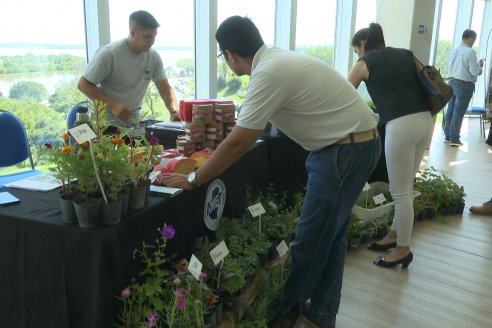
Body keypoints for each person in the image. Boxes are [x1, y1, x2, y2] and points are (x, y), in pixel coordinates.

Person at [160, 15, 381, 328]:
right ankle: (321, 314)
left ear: (231, 55)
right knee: (331, 236)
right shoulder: (276, 59)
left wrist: (195, 178)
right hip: (355, 145)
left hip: (343, 152)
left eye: (223, 57)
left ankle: (281, 316)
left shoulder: (268, 73)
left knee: (309, 240)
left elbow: (238, 143)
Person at [348, 23, 434, 269]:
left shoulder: (364, 64)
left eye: (356, 51)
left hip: (401, 125)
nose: (357, 56)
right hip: (425, 120)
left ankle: (403, 249)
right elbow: (426, 77)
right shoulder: (405, 54)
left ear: (363, 45)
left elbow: (344, 93)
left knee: (400, 191)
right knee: (406, 185)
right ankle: (394, 234)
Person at [78, 10, 179, 136]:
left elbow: (165, 89)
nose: (152, 41)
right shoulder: (109, 54)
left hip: (133, 124)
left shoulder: (153, 57)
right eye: (148, 36)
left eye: (154, 36)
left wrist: (174, 111)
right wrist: (113, 105)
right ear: (133, 32)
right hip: (103, 125)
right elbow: (83, 85)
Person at [445, 29, 484, 147]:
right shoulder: (470, 52)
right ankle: (455, 139)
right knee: (459, 112)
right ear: (470, 38)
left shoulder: (454, 50)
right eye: (474, 40)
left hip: (451, 82)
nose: (474, 42)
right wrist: (480, 66)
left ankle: (448, 136)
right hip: (464, 85)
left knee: (450, 111)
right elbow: (474, 71)